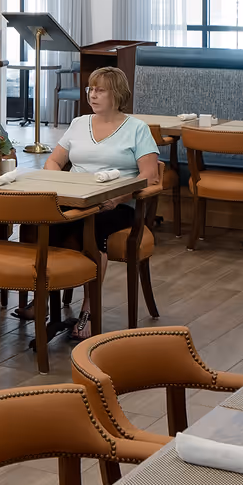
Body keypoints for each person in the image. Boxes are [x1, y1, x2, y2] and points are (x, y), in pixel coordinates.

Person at [43, 65, 162, 338]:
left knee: (93, 228)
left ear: (117, 94)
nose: (92, 95)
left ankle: (89, 311)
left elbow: (150, 176)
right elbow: (54, 161)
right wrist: (60, 182)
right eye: (90, 89)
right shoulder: (77, 123)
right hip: (76, 198)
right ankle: (43, 301)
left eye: (100, 90)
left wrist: (118, 196)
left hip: (117, 204)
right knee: (44, 223)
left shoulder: (137, 128)